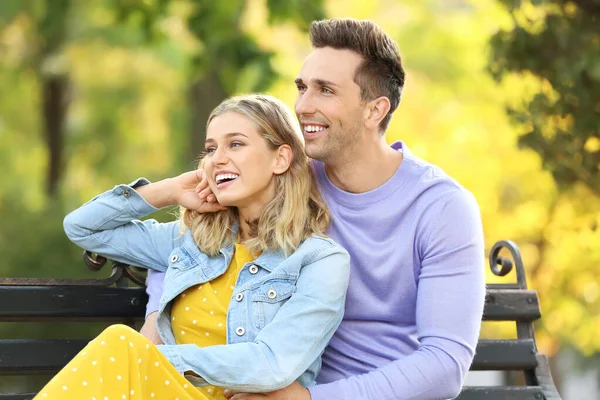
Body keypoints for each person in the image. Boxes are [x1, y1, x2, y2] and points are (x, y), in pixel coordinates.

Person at [144, 18, 486, 400]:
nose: (303, 106)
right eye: (303, 88)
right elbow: (191, 241)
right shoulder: (286, 183)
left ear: (375, 110)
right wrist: (156, 319)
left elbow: (443, 364)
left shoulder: (441, 209)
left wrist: (309, 399)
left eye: (325, 90)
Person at [35, 94, 350, 400]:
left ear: (280, 158)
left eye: (235, 144)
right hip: (161, 392)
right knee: (121, 346)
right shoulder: (192, 241)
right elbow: (82, 227)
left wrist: (152, 359)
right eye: (211, 149)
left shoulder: (320, 261)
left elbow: (272, 364)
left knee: (120, 343)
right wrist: (168, 191)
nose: (217, 159)